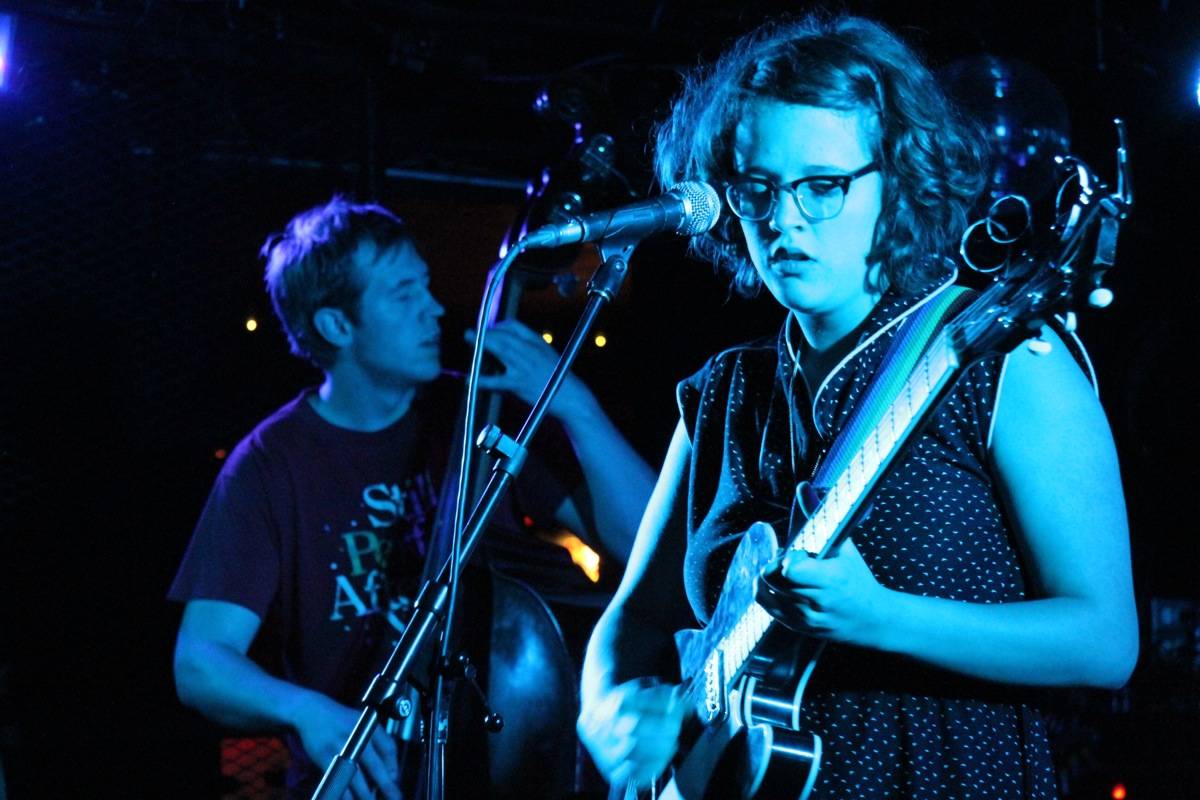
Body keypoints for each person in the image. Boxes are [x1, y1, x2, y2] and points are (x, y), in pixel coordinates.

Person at [578, 13, 1138, 799]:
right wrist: (606, 708)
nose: (783, 220)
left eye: (824, 186)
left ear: (901, 180)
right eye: (756, 189)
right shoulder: (721, 396)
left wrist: (880, 618)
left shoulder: (998, 360)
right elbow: (631, 622)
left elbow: (1105, 641)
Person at [169, 196, 655, 799]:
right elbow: (200, 661)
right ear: (337, 326)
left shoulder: (475, 412)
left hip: (505, 765)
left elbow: (647, 541)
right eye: (403, 295)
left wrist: (576, 407)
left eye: (425, 288)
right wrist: (306, 711)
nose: (432, 310)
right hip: (368, 783)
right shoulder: (270, 464)